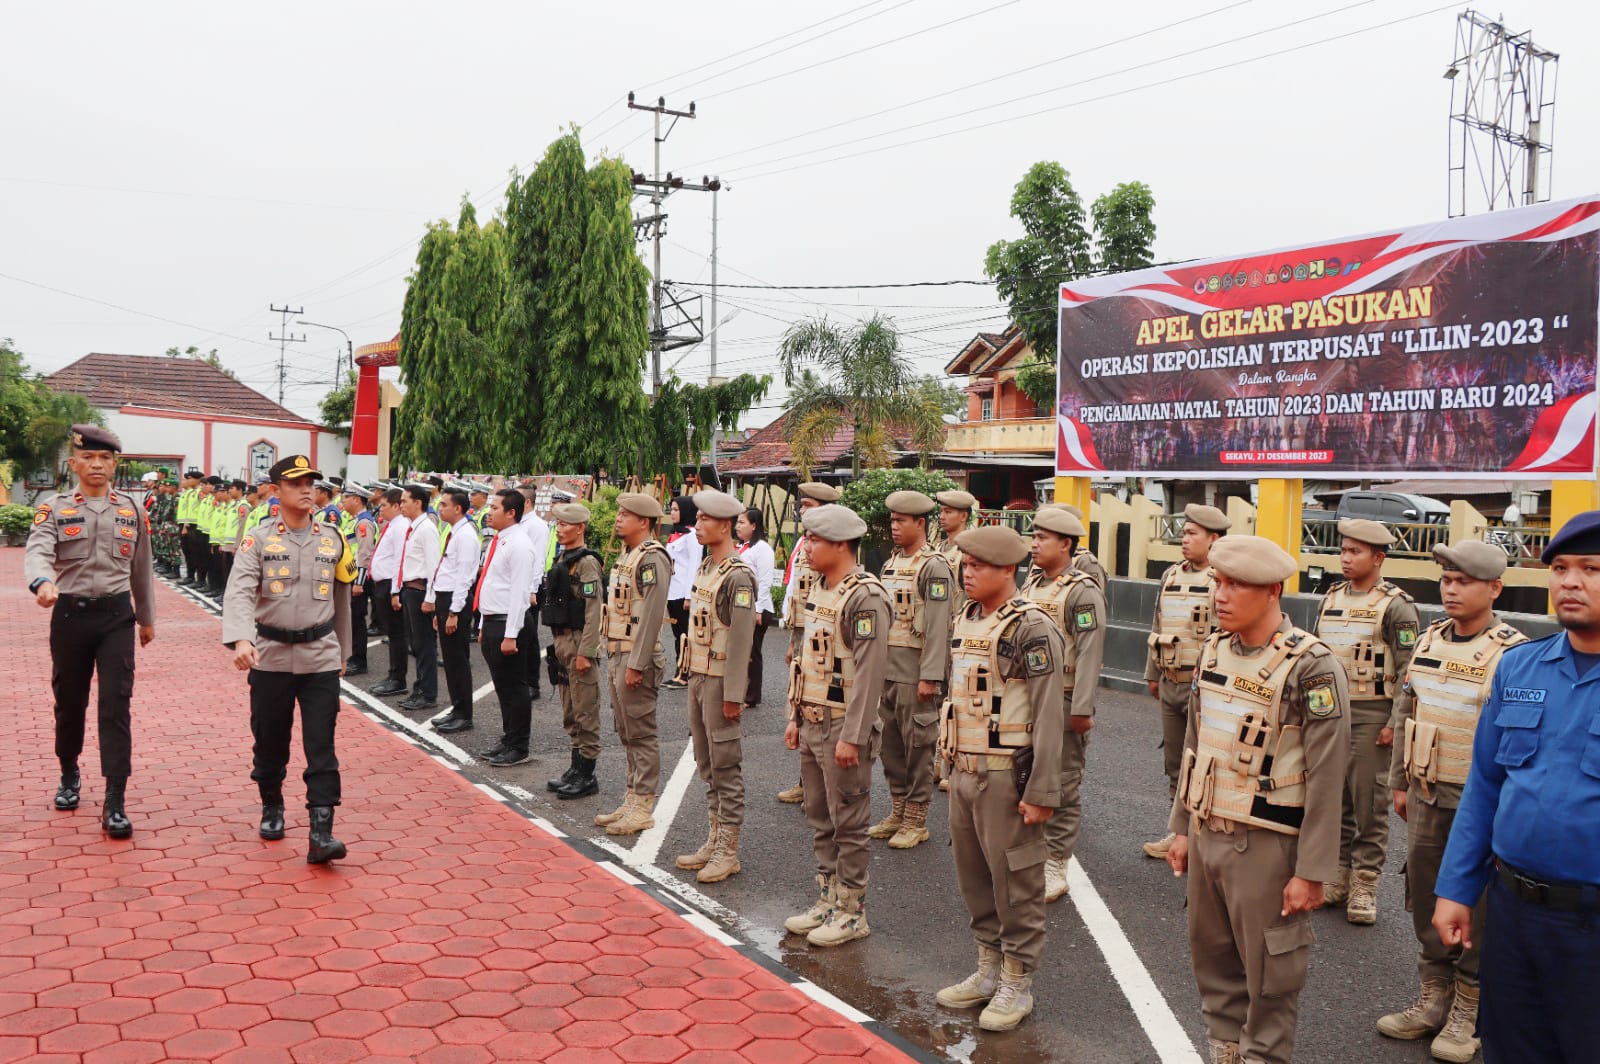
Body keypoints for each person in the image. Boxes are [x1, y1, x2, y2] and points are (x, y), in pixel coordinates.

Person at [1165, 535, 1351, 1064]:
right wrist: (1181, 827)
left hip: (1266, 843)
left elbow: (1327, 773)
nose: (1220, 595)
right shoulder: (1214, 648)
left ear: (1272, 591)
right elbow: (1195, 744)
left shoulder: (1311, 666)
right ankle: (1225, 1052)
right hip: (1207, 832)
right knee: (1214, 962)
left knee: (1271, 975)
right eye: (1218, 583)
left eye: (1235, 585)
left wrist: (1312, 869)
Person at [1433, 512, 1600, 1064]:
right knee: (1512, 1048)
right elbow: (1485, 786)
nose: (1570, 582)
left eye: (1591, 569)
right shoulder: (1521, 669)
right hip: (1512, 913)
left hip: (1591, 924)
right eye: (1560, 568)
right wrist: (1456, 887)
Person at [1377, 541, 1525, 1062]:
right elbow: (1405, 706)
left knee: (1476, 905)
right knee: (1424, 892)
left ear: (1494, 589)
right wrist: (1397, 780)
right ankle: (1434, 995)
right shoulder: (1430, 638)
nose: (1451, 589)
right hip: (1423, 790)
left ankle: (1470, 1007)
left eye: (1463, 581)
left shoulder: (1513, 653)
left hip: (1478, 802)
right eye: (1446, 580)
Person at [936, 524, 1064, 1032]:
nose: (968, 574)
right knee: (975, 881)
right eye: (965, 565)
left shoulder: (1031, 628)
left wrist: (1041, 791)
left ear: (1008, 570)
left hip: (1007, 777)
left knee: (1016, 883)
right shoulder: (967, 617)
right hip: (964, 771)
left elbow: (1051, 713)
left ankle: (1017, 981)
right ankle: (988, 969)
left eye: (979, 567)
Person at [25, 424, 157, 839]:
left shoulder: (132, 510)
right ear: (74, 464)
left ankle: (115, 799)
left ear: (114, 465)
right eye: (89, 458)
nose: (97, 465)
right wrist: (42, 582)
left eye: (105, 459)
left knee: (115, 706)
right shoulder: (55, 508)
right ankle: (69, 771)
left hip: (117, 617)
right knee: (69, 702)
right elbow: (38, 550)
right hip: (70, 616)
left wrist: (147, 618)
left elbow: (142, 568)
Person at [221, 454, 354, 863]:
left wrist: (343, 652)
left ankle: (321, 830)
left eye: (310, 483)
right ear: (276, 491)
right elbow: (240, 590)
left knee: (321, 744)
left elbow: (342, 599)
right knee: (270, 739)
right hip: (271, 657)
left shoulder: (333, 538)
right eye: (296, 484)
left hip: (319, 658)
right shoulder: (257, 539)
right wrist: (242, 639)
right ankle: (272, 805)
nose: (306, 490)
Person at [782, 503, 891, 947]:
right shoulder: (822, 589)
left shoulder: (865, 596)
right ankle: (827, 898)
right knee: (820, 816)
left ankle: (851, 910)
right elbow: (808, 664)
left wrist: (854, 736)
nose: (806, 547)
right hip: (811, 720)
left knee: (849, 819)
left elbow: (869, 674)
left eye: (815, 540)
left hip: (843, 725)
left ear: (842, 545)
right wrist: (793, 715)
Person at [1313, 517, 1420, 921]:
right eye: (1343, 550)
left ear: (1378, 557)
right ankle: (1337, 878)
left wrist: (1395, 722)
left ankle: (1365, 884)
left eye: (1355, 552)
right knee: (1333, 798)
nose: (1345, 558)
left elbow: (1410, 670)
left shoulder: (1396, 605)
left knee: (1369, 803)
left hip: (1373, 714)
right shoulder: (1331, 598)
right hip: (1331, 713)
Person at [1022, 506, 1107, 903]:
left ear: (1066, 544)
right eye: (1034, 536)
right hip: (1029, 696)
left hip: (1065, 695)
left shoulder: (1082, 590)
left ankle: (1056, 860)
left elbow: (1090, 651)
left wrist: (1083, 707)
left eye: (1042, 538)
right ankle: (1032, 853)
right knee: (1029, 773)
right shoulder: (1033, 583)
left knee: (1064, 780)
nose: (1034, 544)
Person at [675, 489, 759, 884]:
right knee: (706, 761)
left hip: (721, 680)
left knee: (726, 764)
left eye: (705, 520)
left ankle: (729, 849)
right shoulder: (708, 567)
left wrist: (732, 696)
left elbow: (742, 642)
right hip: (697, 673)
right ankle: (713, 839)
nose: (697, 525)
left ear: (724, 525)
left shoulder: (738, 576)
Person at [868, 490, 954, 850]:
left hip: (915, 671)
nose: (894, 527)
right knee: (889, 745)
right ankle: (898, 809)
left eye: (901, 521)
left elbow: (938, 625)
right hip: (887, 669)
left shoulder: (933, 566)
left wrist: (931, 676)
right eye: (892, 521)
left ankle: (917, 818)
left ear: (920, 522)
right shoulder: (891, 564)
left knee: (918, 745)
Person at [1143, 503, 1230, 859]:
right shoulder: (1171, 576)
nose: (1185, 538)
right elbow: (1158, 623)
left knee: (1207, 763)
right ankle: (1179, 832)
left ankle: (1204, 836)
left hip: (1204, 687)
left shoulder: (1223, 580)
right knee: (1176, 763)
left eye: (1193, 533)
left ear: (1214, 539)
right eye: (1184, 531)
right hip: (1170, 681)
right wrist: (1153, 673)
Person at [595, 493, 673, 836]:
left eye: (627, 514)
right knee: (626, 730)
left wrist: (637, 664)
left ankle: (643, 804)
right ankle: (631, 797)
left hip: (636, 656)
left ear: (645, 521)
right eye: (619, 513)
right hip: (618, 651)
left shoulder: (653, 558)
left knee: (641, 732)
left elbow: (653, 614)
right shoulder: (628, 555)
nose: (618, 518)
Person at [777, 482, 842, 805]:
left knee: (820, 709)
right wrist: (793, 639)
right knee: (800, 706)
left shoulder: (829, 547)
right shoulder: (804, 542)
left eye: (809, 505)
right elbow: (797, 593)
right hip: (802, 633)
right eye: (802, 505)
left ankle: (820, 784)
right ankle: (806, 779)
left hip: (821, 640)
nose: (802, 511)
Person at [542, 503, 606, 800]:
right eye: (558, 523)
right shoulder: (564, 557)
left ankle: (587, 775)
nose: (560, 527)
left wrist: (587, 650)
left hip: (579, 641)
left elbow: (594, 611)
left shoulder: (587, 563)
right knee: (570, 710)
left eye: (566, 524)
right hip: (562, 641)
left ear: (580, 527)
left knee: (585, 711)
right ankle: (575, 768)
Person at [476, 490, 537, 766]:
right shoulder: (498, 540)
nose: (490, 512)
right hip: (492, 621)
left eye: (495, 507)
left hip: (508, 625)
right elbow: (488, 584)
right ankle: (508, 737)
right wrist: (481, 624)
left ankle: (519, 745)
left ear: (511, 512)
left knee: (515, 687)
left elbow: (519, 593)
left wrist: (511, 634)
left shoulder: (520, 544)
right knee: (502, 687)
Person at [424, 488, 481, 734]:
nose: (440, 508)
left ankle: (464, 714)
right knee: (450, 660)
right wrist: (441, 609)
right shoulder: (454, 531)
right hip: (446, 599)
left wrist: (455, 612)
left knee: (458, 660)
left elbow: (464, 577)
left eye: (444, 504)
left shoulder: (466, 535)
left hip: (455, 602)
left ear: (458, 508)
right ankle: (457, 708)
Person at [394, 484, 442, 712]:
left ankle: (428, 693)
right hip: (410, 590)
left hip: (421, 590)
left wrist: (431, 598)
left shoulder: (427, 529)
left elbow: (433, 566)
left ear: (418, 503)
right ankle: (419, 688)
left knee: (424, 646)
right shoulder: (415, 527)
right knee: (417, 645)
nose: (401, 505)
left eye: (404, 501)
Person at [367, 487, 411, 696]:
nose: (379, 508)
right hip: (383, 584)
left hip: (390, 585)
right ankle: (393, 675)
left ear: (395, 506)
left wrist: (395, 591)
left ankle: (398, 679)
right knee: (393, 634)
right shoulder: (392, 525)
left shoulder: (401, 526)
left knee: (397, 634)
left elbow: (399, 560)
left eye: (383, 505)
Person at [662, 495, 703, 689]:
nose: (673, 513)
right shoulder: (675, 534)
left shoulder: (692, 535)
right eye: (671, 509)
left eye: (677, 509)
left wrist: (689, 596)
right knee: (678, 634)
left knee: (686, 635)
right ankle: (679, 671)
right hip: (672, 592)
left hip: (683, 595)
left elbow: (694, 566)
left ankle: (685, 673)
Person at [736, 507, 776, 708]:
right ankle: (742, 691)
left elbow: (765, 581)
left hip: (758, 609)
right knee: (742, 651)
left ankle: (751, 697)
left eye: (742, 522)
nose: (737, 526)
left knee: (753, 653)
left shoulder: (763, 549)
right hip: (743, 607)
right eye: (738, 522)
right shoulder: (743, 547)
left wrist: (759, 610)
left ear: (754, 525)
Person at [516, 485, 550, 703]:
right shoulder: (520, 523)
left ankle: (532, 683)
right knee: (519, 636)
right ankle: (521, 680)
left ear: (527, 502)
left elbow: (537, 561)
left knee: (529, 638)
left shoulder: (536, 526)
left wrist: (532, 590)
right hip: (518, 588)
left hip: (530, 589)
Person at [341, 484, 377, 676]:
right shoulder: (353, 521)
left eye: (346, 497)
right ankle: (352, 656)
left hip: (357, 578)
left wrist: (359, 582)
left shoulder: (363, 523)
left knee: (357, 620)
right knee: (351, 620)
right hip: (350, 575)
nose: (343, 501)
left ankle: (359, 660)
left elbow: (364, 555)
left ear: (356, 499)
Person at [935, 489, 977, 614]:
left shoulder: (971, 552)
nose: (942, 516)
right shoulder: (936, 549)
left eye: (948, 512)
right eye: (941, 511)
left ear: (963, 516)